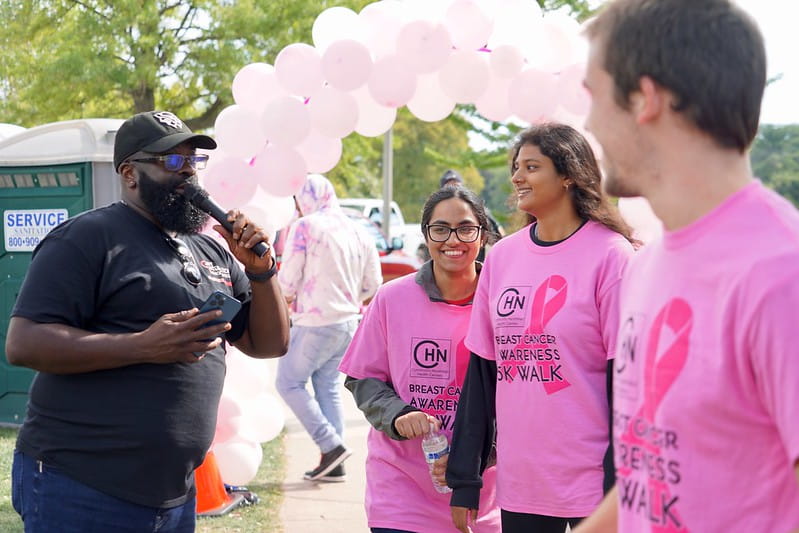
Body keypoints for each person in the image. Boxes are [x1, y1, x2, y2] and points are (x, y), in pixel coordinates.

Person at [5, 110, 290, 532]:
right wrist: (143, 345)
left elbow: (268, 345)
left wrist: (262, 272)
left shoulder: (211, 251)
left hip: (172, 492)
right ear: (129, 174)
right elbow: (24, 343)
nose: (189, 174)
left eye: (194, 161)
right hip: (81, 483)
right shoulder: (87, 238)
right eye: (172, 162)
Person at [574, 1, 799, 531]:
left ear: (645, 98)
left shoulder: (779, 274)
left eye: (594, 95)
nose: (587, 123)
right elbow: (648, 479)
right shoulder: (647, 264)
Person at [446, 123, 636, 533]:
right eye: (516, 166)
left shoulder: (611, 256)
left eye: (531, 166)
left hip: (595, 482)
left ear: (568, 174)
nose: (517, 177)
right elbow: (481, 376)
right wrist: (465, 479)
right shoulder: (502, 257)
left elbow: (627, 383)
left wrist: (620, 481)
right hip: (523, 480)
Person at [340, 186, 501, 533]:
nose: (452, 240)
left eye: (466, 228)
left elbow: (520, 395)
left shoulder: (502, 302)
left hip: (485, 495)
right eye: (440, 229)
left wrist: (476, 457)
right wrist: (399, 415)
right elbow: (363, 379)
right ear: (425, 235)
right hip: (400, 494)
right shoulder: (392, 298)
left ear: (483, 235)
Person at [276, 173, 382, 482]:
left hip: (316, 321)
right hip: (349, 322)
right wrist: (348, 299)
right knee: (328, 387)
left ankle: (330, 445)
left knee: (288, 383)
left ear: (306, 197)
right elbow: (373, 283)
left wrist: (285, 302)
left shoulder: (305, 227)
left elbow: (287, 280)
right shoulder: (357, 229)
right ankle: (334, 461)